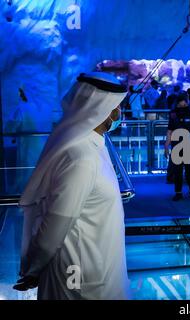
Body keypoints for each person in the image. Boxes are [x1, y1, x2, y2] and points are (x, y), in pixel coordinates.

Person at [14, 72, 131, 300]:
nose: (119, 113)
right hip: (79, 281)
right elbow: (54, 227)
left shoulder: (94, 144)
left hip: (97, 268)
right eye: (117, 107)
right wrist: (34, 269)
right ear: (101, 108)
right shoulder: (81, 158)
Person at [165, 93, 190, 201]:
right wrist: (166, 146)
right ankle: (178, 193)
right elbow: (169, 131)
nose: (186, 102)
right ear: (180, 101)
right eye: (184, 100)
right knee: (177, 171)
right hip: (177, 145)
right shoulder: (173, 114)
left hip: (188, 145)